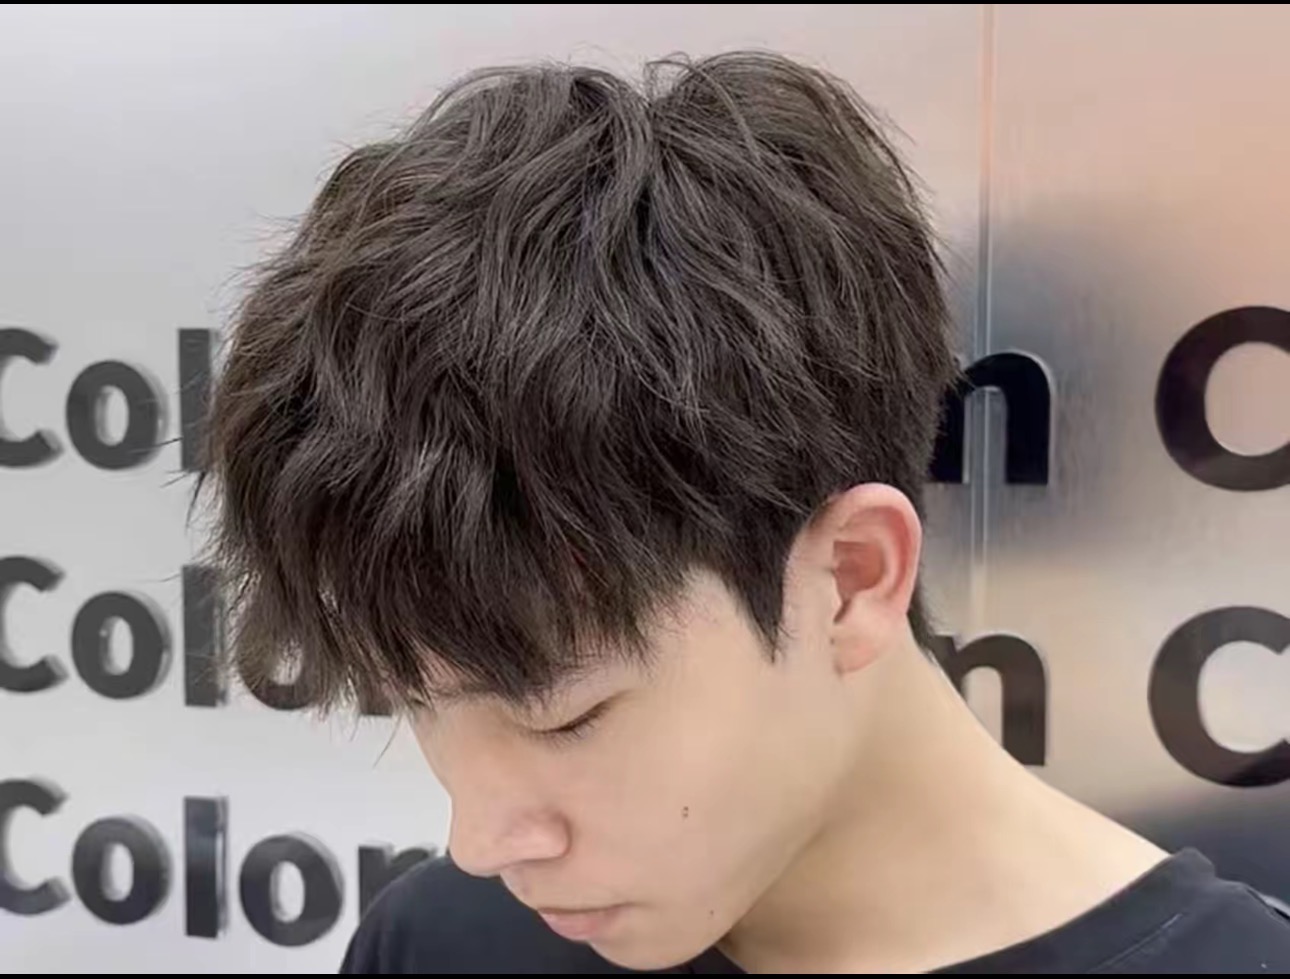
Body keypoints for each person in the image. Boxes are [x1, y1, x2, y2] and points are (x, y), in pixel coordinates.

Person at [201, 51, 1290, 974]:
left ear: (853, 576)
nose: (483, 839)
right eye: (415, 705)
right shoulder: (444, 944)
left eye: (566, 717)